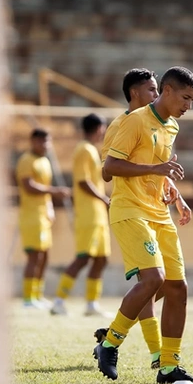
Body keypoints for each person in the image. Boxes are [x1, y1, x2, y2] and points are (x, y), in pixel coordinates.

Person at [94, 66, 193, 384]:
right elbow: (110, 167)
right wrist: (157, 168)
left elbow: (161, 170)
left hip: (159, 213)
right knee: (153, 279)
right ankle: (110, 343)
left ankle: (169, 366)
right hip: (130, 211)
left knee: (177, 287)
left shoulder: (171, 127)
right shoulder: (133, 121)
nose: (188, 106)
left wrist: (175, 193)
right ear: (168, 91)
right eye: (186, 98)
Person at [51, 114, 112, 317]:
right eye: (103, 128)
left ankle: (91, 305)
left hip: (98, 214)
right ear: (97, 128)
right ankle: (59, 301)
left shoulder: (91, 150)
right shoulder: (83, 150)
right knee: (83, 257)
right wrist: (104, 199)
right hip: (89, 213)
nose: (104, 132)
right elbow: (83, 182)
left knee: (102, 259)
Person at [16, 128, 70, 308]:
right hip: (31, 216)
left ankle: (37, 295)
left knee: (45, 256)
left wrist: (50, 209)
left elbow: (44, 188)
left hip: (43, 216)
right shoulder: (26, 160)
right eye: (42, 141)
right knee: (34, 256)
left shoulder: (45, 161)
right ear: (33, 141)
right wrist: (54, 192)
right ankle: (28, 298)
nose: (46, 145)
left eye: (48, 141)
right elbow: (28, 186)